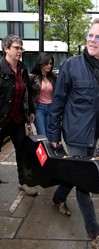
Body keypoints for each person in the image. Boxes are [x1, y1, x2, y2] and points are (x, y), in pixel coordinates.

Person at [48, 18, 99, 249]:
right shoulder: (71, 65)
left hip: (95, 134)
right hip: (75, 133)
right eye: (90, 35)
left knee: (75, 172)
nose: (92, 40)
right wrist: (54, 133)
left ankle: (58, 198)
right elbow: (57, 101)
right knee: (85, 180)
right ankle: (94, 233)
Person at [0, 34, 38, 196]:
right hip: (1, 120)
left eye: (21, 48)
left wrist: (30, 111)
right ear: (6, 48)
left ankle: (23, 183)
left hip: (17, 120)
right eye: (16, 48)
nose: (20, 51)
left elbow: (26, 92)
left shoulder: (23, 69)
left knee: (22, 151)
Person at [29, 52, 57, 137]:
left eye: (51, 63)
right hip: (38, 108)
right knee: (42, 135)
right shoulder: (32, 77)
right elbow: (28, 96)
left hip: (51, 108)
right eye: (46, 63)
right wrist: (30, 112)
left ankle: (49, 151)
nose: (49, 65)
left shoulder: (53, 77)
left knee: (50, 135)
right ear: (41, 63)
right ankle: (42, 150)